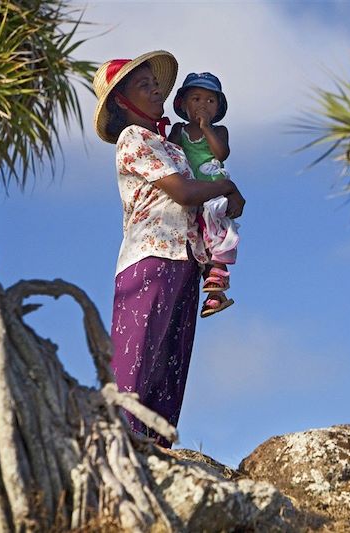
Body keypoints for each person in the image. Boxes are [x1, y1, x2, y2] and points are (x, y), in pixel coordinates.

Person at [92, 50, 245, 447]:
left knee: (170, 363)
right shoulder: (134, 138)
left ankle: (158, 454)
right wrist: (226, 187)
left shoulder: (172, 144)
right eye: (144, 86)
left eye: (155, 83)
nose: (156, 89)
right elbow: (182, 191)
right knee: (138, 358)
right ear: (121, 103)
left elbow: (199, 183)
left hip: (184, 259)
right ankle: (121, 448)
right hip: (151, 258)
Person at [168, 72, 238, 318]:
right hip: (190, 192)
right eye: (196, 99)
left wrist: (206, 127)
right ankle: (215, 295)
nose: (203, 105)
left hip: (213, 190)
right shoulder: (179, 130)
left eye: (210, 101)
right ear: (184, 105)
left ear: (218, 107)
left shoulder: (220, 131)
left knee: (215, 230)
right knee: (198, 241)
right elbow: (170, 156)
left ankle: (218, 280)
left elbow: (221, 154)